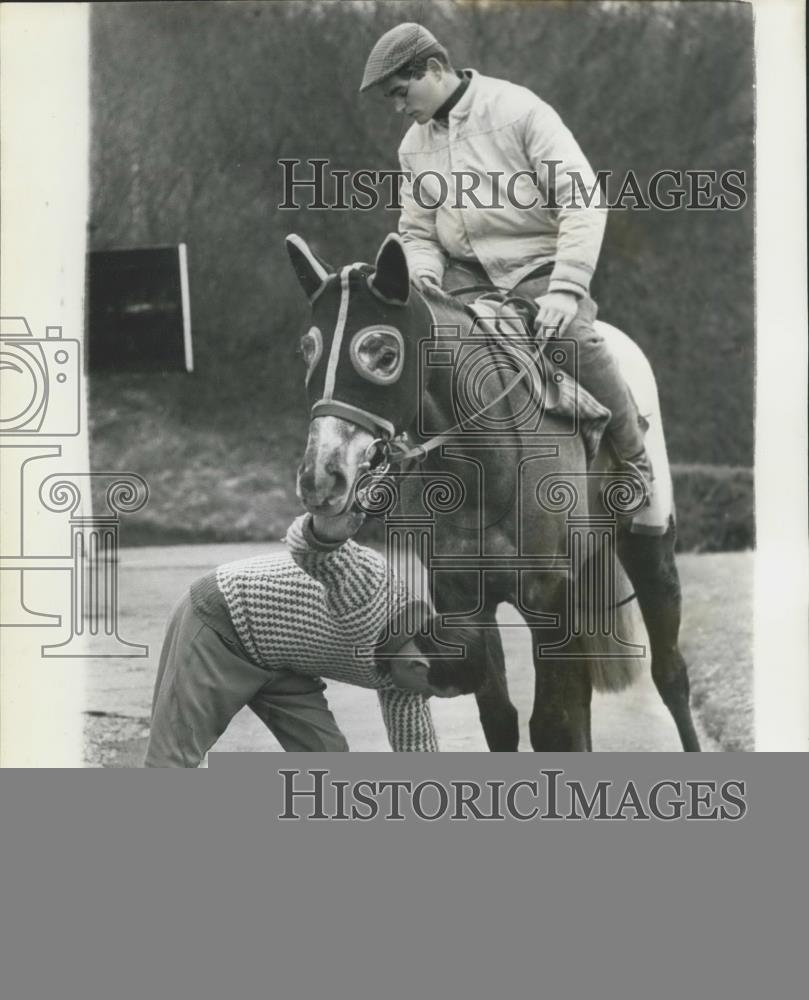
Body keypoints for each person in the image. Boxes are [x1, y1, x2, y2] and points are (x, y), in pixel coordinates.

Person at [359, 22, 652, 489]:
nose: (398, 107)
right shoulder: (413, 147)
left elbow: (582, 199)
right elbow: (416, 232)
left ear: (434, 69)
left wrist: (566, 289)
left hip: (538, 270)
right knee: (414, 343)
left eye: (401, 92)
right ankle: (393, 468)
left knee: (574, 339)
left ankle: (634, 460)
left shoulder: (518, 110)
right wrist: (425, 277)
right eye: (391, 98)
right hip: (463, 278)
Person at [143, 508, 465, 765]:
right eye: (433, 692)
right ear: (420, 667)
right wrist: (325, 531)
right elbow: (309, 551)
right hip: (223, 623)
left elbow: (417, 747)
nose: (425, 699)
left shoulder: (403, 677)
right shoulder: (371, 588)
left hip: (285, 661)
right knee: (174, 760)